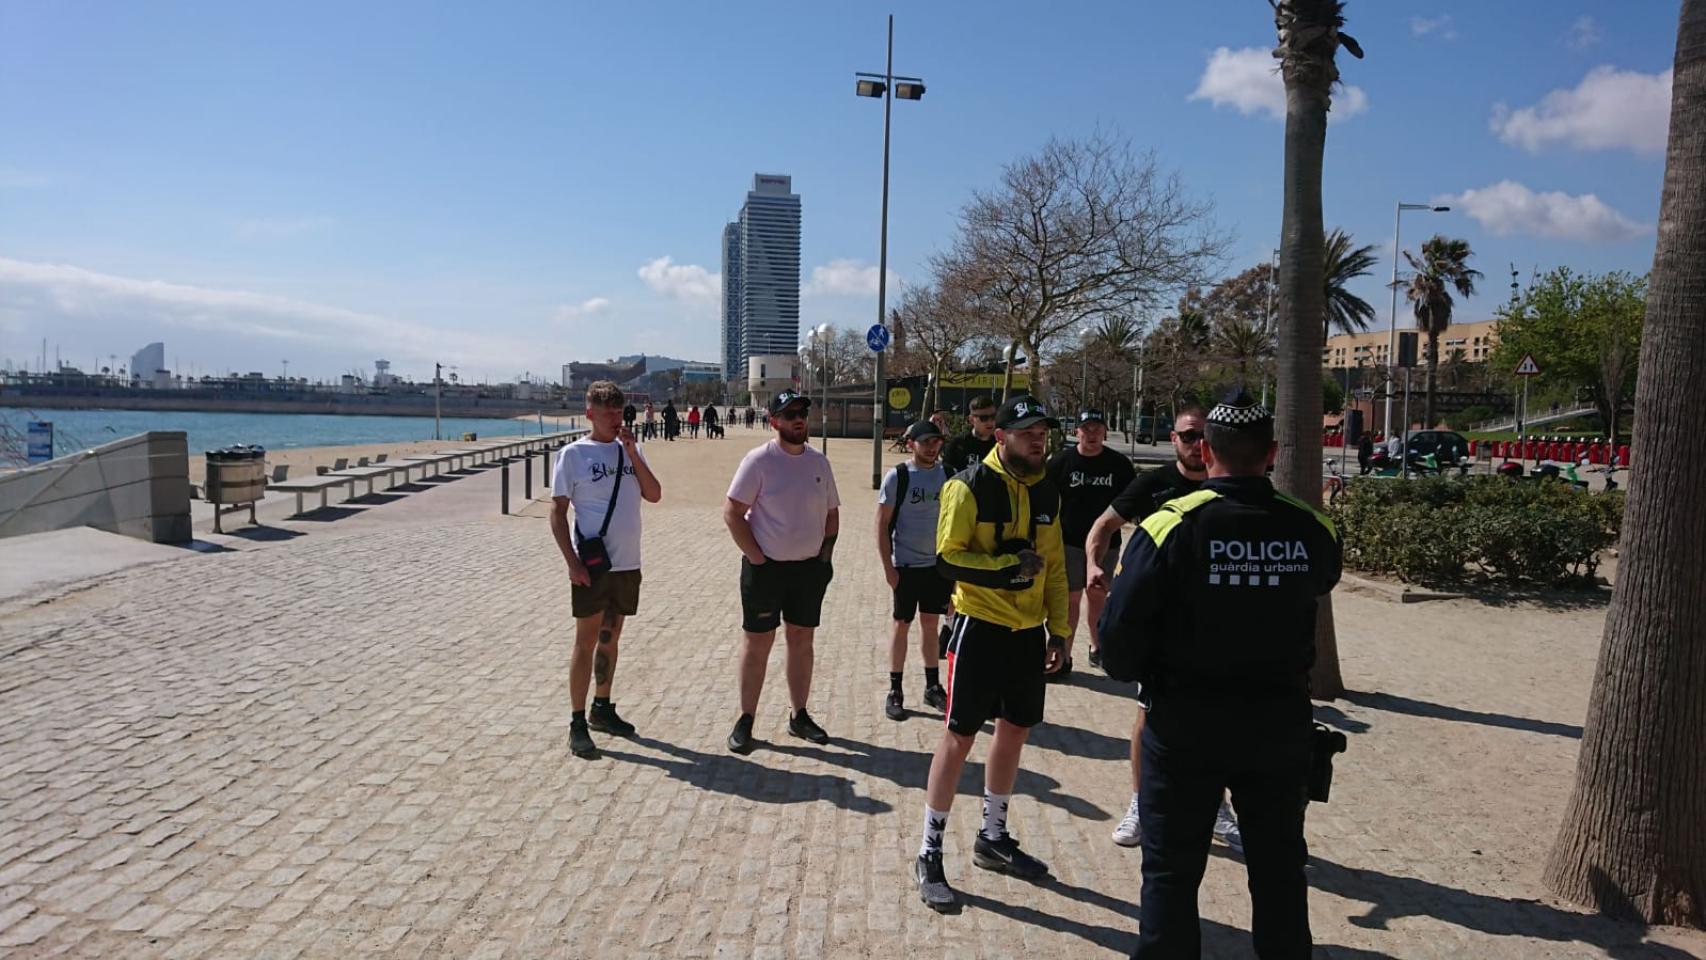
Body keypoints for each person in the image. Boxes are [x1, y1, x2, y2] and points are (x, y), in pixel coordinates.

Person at [1099, 388, 1341, 959]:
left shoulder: (1169, 527)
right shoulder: (1311, 527)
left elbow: (1117, 644)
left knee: (1170, 872)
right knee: (1279, 869)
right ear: (1272, 453)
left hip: (1184, 728)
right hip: (1278, 727)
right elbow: (1322, 581)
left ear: (1206, 452)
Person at [911, 394, 1070, 913]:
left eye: (1043, 433)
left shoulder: (1046, 488)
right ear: (1000, 437)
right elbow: (946, 558)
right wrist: (1006, 568)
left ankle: (992, 838)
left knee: (1015, 730)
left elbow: (1053, 564)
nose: (1039, 441)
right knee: (959, 738)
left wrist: (1060, 631)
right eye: (1028, 433)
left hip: (1027, 634)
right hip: (978, 627)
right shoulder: (968, 486)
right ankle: (929, 851)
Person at [1084, 407, 1225, 849]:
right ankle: (1141, 804)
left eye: (1202, 436)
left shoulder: (1226, 485)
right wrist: (1092, 564)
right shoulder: (1153, 484)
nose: (1195, 444)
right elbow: (1103, 525)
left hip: (1213, 622)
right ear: (1174, 438)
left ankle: (1217, 808)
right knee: (1149, 713)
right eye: (1188, 435)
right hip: (1160, 621)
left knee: (1215, 719)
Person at [548, 380, 664, 760]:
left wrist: (631, 452)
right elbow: (557, 513)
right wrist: (572, 563)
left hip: (627, 563)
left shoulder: (630, 449)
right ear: (589, 414)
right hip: (593, 567)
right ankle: (577, 721)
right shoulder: (573, 455)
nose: (616, 419)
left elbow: (654, 494)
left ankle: (602, 707)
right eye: (608, 413)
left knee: (610, 638)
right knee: (585, 641)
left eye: (619, 411)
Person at [725, 390, 841, 753]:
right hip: (766, 570)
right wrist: (757, 559)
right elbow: (732, 513)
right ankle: (746, 718)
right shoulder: (759, 461)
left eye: (802, 411)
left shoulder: (819, 462)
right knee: (758, 643)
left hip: (808, 570)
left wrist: (824, 557)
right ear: (773, 420)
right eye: (789, 413)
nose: (798, 418)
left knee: (802, 641)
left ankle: (799, 715)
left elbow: (832, 513)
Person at [1044, 409, 1136, 683]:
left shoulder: (1119, 464)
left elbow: (1132, 501)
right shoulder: (1060, 463)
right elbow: (1044, 500)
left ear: (1105, 431)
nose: (1092, 433)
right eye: (1086, 428)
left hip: (1107, 543)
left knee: (1098, 595)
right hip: (1069, 542)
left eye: (1097, 428)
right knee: (1070, 598)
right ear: (1077, 432)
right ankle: (1064, 656)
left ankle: (1097, 648)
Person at [876, 420, 951, 721]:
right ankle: (895, 689)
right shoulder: (899, 476)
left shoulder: (949, 475)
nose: (932, 447)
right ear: (911, 444)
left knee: (931, 624)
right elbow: (881, 524)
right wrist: (888, 568)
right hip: (905, 566)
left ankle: (932, 686)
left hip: (937, 568)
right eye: (925, 442)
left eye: (936, 442)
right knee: (901, 625)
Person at [943, 395, 999, 473]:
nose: (990, 422)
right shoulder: (958, 444)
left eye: (993, 417)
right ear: (971, 420)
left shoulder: (1000, 444)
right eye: (984, 418)